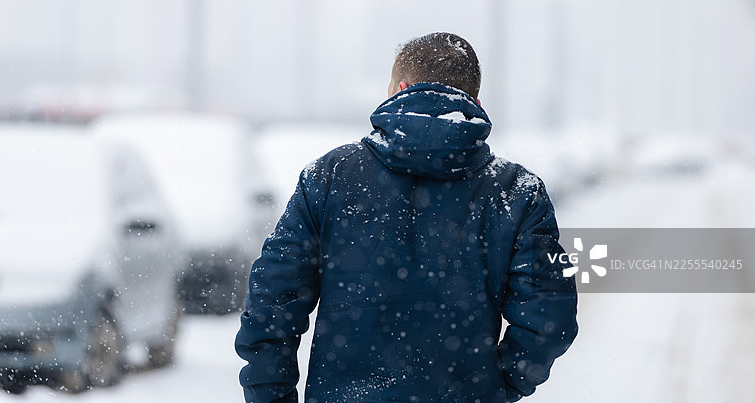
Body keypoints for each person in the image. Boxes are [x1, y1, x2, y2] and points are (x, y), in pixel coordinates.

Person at [236, 32, 578, 403]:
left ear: (399, 90)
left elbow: (271, 303)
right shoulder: (517, 191)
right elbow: (549, 317)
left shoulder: (331, 177)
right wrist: (495, 386)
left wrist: (271, 395)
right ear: (475, 101)